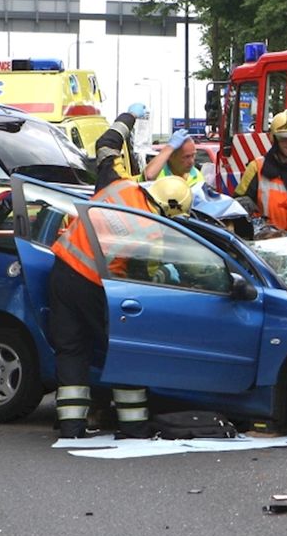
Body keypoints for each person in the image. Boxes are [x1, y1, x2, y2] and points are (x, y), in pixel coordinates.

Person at [49, 102, 190, 439]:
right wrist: (168, 275)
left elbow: (106, 146)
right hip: (96, 286)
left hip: (62, 272)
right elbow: (142, 281)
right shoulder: (154, 234)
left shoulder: (120, 184)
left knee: (71, 350)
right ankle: (133, 426)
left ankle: (71, 425)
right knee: (126, 348)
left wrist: (128, 117)